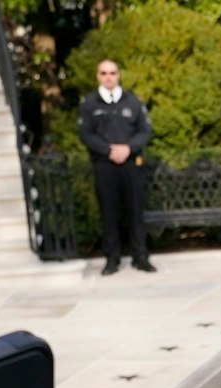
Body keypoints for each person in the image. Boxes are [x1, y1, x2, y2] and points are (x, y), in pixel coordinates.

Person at [77, 58, 156, 276]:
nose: (108, 77)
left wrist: (128, 149)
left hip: (132, 165)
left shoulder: (132, 101)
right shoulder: (90, 104)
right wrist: (108, 150)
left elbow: (144, 131)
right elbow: (86, 134)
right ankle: (112, 259)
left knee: (135, 212)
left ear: (118, 75)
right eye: (103, 73)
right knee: (109, 213)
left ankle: (141, 257)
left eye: (112, 73)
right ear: (98, 77)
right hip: (105, 166)